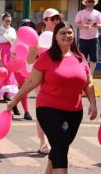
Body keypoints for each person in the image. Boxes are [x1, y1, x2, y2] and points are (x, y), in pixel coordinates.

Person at [7, 21, 98, 174]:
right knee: (61, 144)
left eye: (69, 32)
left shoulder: (80, 57)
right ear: (55, 37)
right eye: (62, 32)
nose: (67, 35)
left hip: (74, 111)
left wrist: (93, 103)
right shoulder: (46, 57)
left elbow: (88, 83)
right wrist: (16, 98)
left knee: (59, 146)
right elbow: (31, 81)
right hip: (48, 109)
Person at [27, 8, 62, 153]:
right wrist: (34, 51)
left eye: (57, 18)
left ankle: (56, 139)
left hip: (59, 79)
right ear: (45, 20)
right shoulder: (37, 39)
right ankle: (42, 142)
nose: (55, 21)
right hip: (41, 79)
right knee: (42, 111)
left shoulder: (63, 36)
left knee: (59, 111)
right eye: (52, 18)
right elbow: (29, 62)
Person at [0, 12, 18, 103]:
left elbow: (15, 42)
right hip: (2, 52)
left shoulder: (12, 30)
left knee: (10, 72)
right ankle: (1, 93)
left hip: (10, 52)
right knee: (2, 72)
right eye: (7, 21)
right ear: (2, 20)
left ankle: (7, 94)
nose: (8, 23)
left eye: (10, 21)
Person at [75, 0, 101, 75]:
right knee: (82, 58)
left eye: (92, 1)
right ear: (86, 3)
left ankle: (90, 76)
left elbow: (100, 25)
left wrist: (96, 25)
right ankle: (83, 74)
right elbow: (77, 24)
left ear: (94, 3)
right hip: (83, 39)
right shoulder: (80, 13)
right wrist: (83, 26)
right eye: (89, 1)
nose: (90, 3)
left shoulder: (98, 13)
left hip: (94, 39)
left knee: (93, 59)